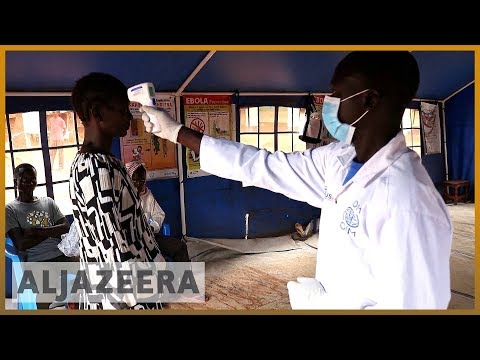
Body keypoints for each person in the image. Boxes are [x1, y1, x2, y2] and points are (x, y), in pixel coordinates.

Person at [138, 51, 453, 310]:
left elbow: (418, 302)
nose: (329, 103)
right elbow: (261, 165)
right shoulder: (338, 159)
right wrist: (176, 132)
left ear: (369, 101)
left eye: (338, 94)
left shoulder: (408, 201)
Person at [69, 72, 165, 310]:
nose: (129, 117)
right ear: (97, 112)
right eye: (122, 110)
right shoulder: (96, 170)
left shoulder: (104, 162)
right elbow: (112, 247)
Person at [5, 163, 74, 308]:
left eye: (32, 179)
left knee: (93, 272)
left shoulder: (48, 202)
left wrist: (36, 231)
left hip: (61, 254)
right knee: (45, 289)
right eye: (23, 179)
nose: (29, 183)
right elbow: (21, 243)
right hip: (37, 260)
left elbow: (65, 227)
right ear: (15, 182)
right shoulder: (10, 209)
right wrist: (51, 232)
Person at [125, 161, 190, 262]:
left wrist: (152, 226)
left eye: (142, 180)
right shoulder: (122, 199)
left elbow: (158, 214)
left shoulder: (147, 195)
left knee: (180, 247)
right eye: (135, 180)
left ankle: (183, 276)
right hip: (130, 243)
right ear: (127, 179)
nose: (139, 184)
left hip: (150, 237)